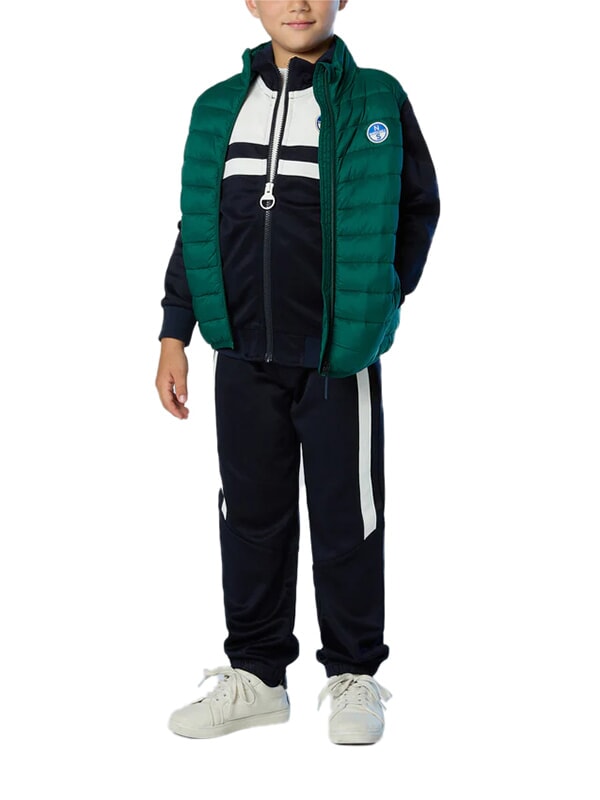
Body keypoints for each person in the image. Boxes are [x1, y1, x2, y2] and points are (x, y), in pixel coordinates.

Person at [155, 0, 439, 745]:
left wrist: (381, 298)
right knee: (251, 518)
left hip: (336, 356)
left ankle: (353, 675)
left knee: (349, 518)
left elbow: (418, 206)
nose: (299, 3)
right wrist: (176, 331)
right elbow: (196, 225)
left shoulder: (377, 97)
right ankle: (256, 676)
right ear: (251, 2)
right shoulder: (217, 108)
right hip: (241, 354)